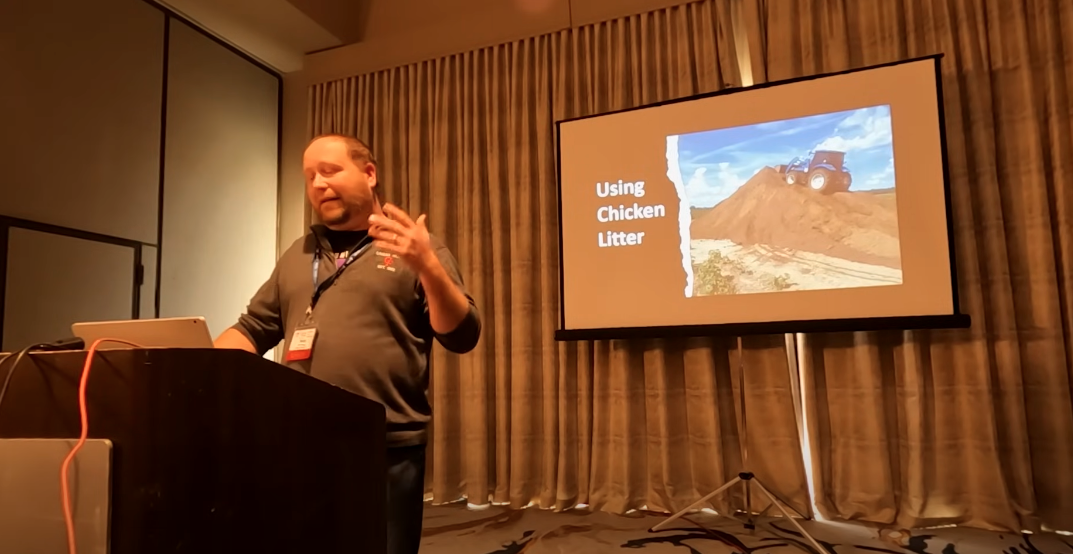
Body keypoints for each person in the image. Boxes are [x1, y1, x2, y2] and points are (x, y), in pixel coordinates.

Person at [214, 133, 481, 554]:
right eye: (309, 177)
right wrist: (196, 364)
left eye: (330, 171)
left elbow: (462, 334)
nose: (318, 184)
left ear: (369, 174)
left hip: (385, 446)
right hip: (300, 442)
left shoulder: (414, 248)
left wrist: (426, 264)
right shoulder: (300, 254)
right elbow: (252, 328)